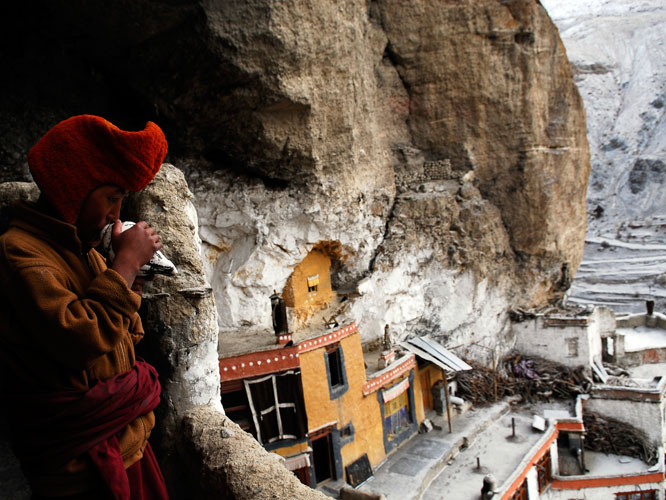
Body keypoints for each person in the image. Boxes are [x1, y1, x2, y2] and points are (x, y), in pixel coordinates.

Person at [0, 115, 170, 499]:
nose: (115, 213)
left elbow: (125, 339)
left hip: (128, 445)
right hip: (82, 469)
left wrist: (131, 282)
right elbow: (81, 340)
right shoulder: (19, 253)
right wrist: (124, 265)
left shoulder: (83, 250)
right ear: (73, 189)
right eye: (111, 197)